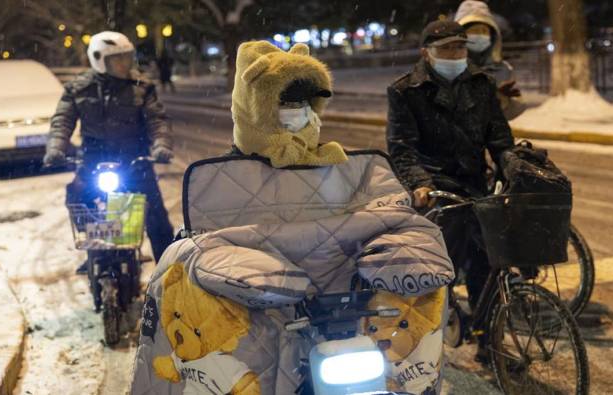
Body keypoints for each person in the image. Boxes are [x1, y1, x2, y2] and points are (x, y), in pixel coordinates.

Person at [131, 40, 454, 395]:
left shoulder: (344, 170)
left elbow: (386, 214)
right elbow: (210, 240)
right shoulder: (226, 178)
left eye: (304, 103)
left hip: (344, 315)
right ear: (254, 107)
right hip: (267, 316)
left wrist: (402, 249)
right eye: (285, 103)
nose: (297, 111)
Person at [386, 19, 514, 363]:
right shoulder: (405, 91)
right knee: (440, 268)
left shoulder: (481, 83)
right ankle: (422, 347)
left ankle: (490, 342)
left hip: (475, 185)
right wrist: (421, 183)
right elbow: (402, 148)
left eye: (459, 47)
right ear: (426, 53)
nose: (455, 54)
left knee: (487, 264)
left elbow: (499, 137)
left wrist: (512, 166)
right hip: (437, 189)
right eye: (446, 49)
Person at [43, 31, 174, 272]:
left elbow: (157, 120)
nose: (125, 64)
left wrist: (161, 145)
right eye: (118, 59)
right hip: (93, 162)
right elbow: (62, 121)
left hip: (135, 162)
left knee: (156, 218)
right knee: (78, 198)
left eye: (127, 57)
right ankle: (94, 249)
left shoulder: (142, 87)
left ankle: (169, 272)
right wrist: (56, 148)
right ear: (99, 59)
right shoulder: (78, 89)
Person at [455, 0, 526, 120]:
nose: (480, 35)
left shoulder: (503, 69)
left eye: (484, 31)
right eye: (474, 30)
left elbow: (517, 108)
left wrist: (504, 102)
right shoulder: (447, 67)